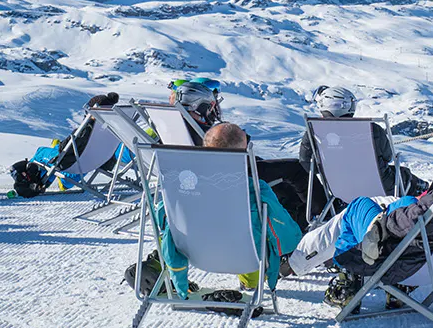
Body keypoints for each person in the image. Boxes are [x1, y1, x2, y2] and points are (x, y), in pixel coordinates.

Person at [311, 138, 433, 314]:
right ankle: (389, 289)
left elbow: (399, 224)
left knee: (359, 206)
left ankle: (348, 281)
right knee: (407, 200)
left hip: (405, 265)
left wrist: (382, 222)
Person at [127, 123, 303, 309]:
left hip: (193, 255)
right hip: (244, 258)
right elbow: (286, 232)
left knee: (174, 223)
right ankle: (250, 282)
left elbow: (161, 220)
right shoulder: (254, 189)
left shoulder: (178, 188)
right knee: (259, 233)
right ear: (243, 152)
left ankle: (158, 261)